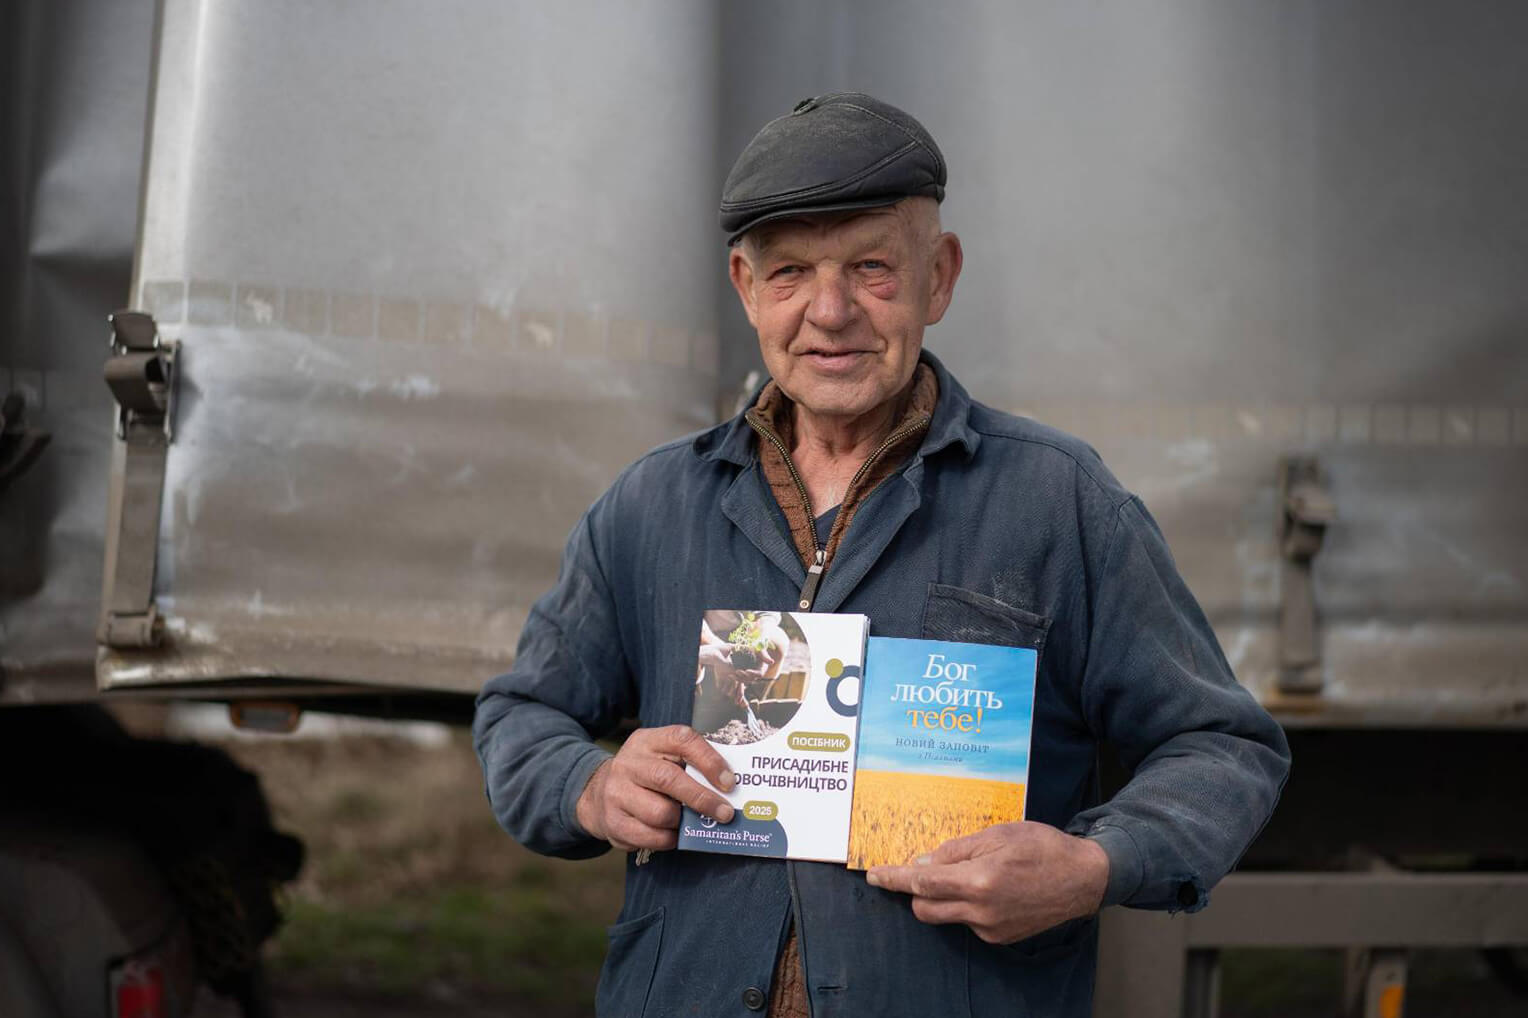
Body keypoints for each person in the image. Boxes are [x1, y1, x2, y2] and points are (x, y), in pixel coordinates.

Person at [474, 92, 1290, 1018]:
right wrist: (591, 786)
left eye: (871, 269)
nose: (830, 312)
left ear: (939, 277)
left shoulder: (1060, 503)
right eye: (790, 275)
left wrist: (1094, 864)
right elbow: (520, 717)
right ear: (745, 288)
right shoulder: (651, 507)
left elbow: (1223, 746)